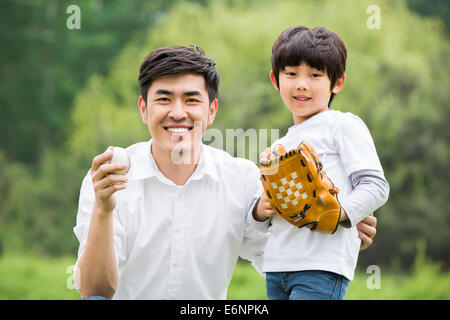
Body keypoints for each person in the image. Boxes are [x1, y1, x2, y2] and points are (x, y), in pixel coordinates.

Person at [73, 44, 377, 300]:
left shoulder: (242, 180)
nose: (178, 112)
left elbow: (284, 248)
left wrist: (339, 229)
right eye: (164, 99)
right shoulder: (109, 178)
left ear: (211, 111)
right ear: (143, 109)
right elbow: (95, 290)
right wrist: (103, 208)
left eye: (191, 100)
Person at [252, 26, 389, 300]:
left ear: (337, 82)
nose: (302, 83)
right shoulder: (277, 148)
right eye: (291, 74)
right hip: (277, 268)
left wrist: (340, 214)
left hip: (322, 266)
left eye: (315, 75)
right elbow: (263, 224)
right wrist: (260, 211)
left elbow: (375, 185)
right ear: (275, 79)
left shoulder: (341, 125)